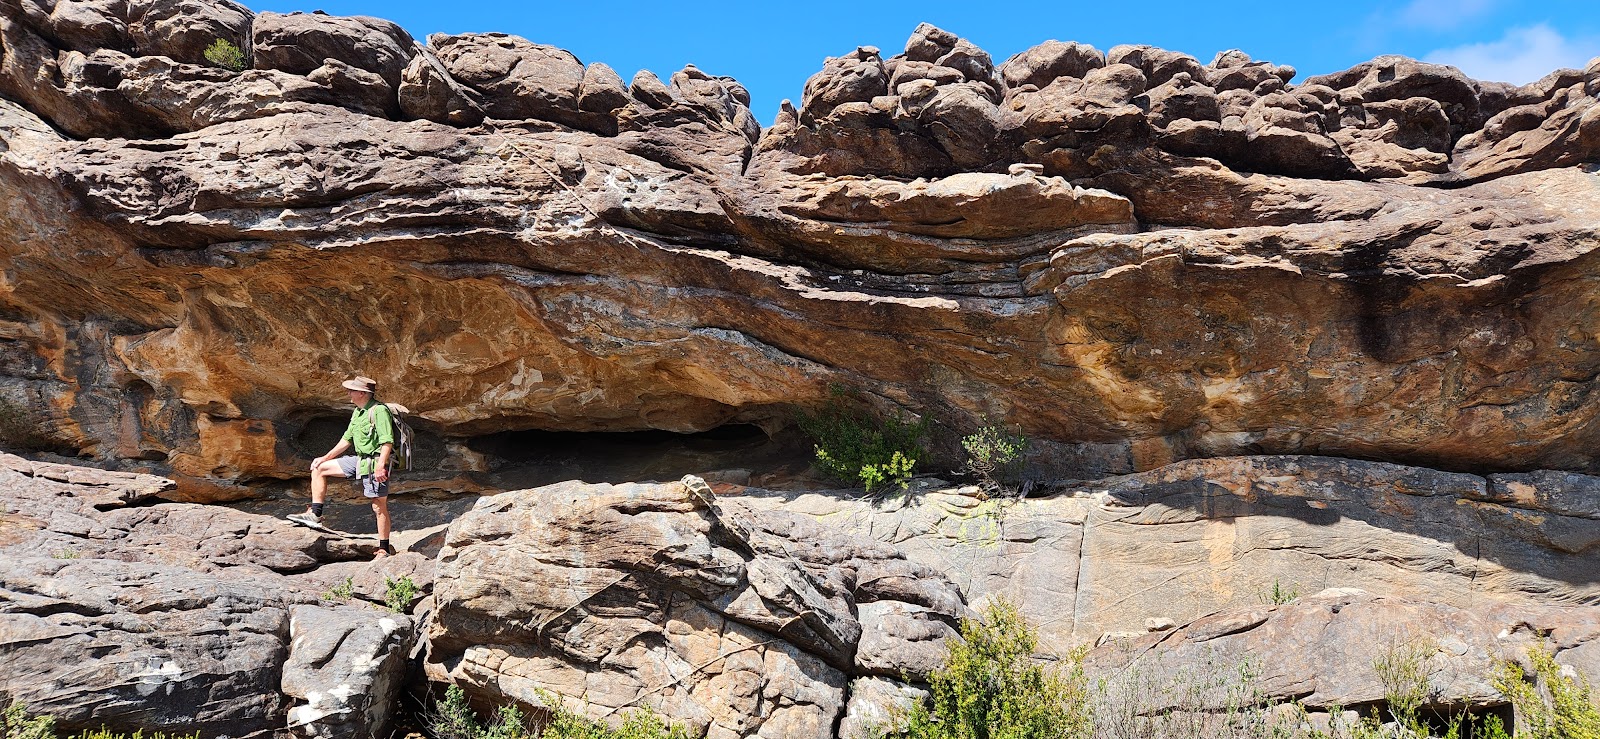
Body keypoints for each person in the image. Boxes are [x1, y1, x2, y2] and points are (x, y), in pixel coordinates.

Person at [289, 376, 395, 558]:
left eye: (352, 390)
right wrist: (323, 457)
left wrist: (380, 466)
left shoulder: (379, 411)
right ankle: (315, 515)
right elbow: (346, 440)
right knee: (319, 468)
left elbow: (387, 441)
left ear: (362, 393)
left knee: (378, 507)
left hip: (373, 463)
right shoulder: (358, 412)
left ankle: (383, 549)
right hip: (359, 460)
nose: (349, 393)